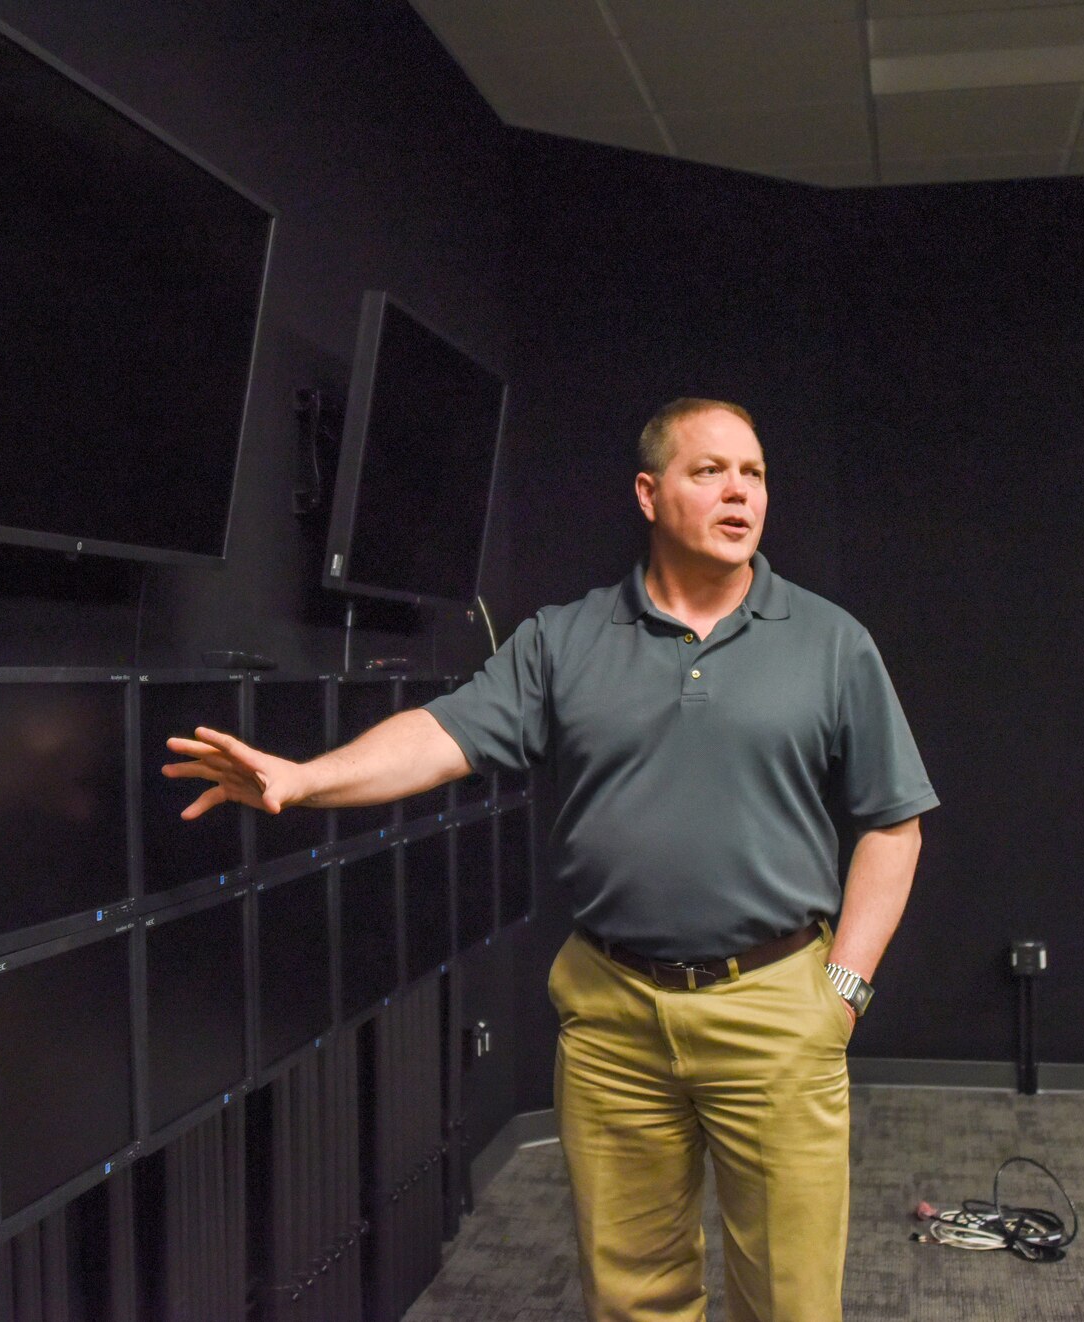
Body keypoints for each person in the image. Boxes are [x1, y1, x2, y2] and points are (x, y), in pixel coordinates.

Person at [164, 398, 936, 1322]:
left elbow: (896, 825)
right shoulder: (564, 640)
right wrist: (304, 779)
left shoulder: (830, 641)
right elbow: (442, 734)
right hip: (614, 1018)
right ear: (649, 494)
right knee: (631, 1297)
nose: (741, 493)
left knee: (794, 1303)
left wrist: (841, 990)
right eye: (710, 471)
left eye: (755, 473)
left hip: (775, 1008)